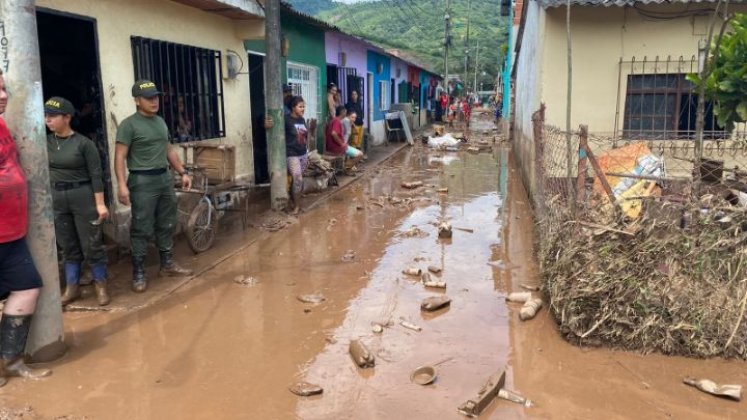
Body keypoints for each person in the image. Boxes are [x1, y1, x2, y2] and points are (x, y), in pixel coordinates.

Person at [115, 80, 193, 293]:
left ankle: (167, 264)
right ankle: (139, 272)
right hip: (142, 181)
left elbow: (168, 150)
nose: (154, 101)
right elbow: (119, 157)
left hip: (164, 178)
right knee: (141, 227)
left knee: (167, 222)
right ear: (136, 101)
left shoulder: (160, 122)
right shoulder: (128, 125)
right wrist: (122, 185)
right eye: (149, 98)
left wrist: (182, 172)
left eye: (156, 97)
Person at [0, 69, 53, 387]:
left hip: (12, 235)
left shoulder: (3, 124)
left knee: (28, 287)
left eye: (3, 88)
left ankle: (10, 361)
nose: (3, 95)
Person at [44, 96, 110, 306]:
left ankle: (100, 284)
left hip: (82, 196)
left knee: (92, 244)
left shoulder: (84, 144)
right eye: (46, 116)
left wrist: (99, 204)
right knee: (67, 245)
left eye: (53, 116)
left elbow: (96, 175)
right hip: (57, 198)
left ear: (67, 117)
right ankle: (72, 287)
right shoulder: (45, 142)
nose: (48, 120)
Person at [284, 96, 309, 214]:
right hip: (291, 153)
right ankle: (296, 207)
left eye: (303, 106)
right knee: (297, 177)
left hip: (303, 153)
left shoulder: (302, 120)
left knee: (298, 181)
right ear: (293, 108)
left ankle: (294, 202)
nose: (303, 109)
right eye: (300, 106)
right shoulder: (286, 120)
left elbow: (305, 137)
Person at [326, 105, 363, 171]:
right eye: (345, 112)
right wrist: (342, 144)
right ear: (342, 112)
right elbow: (334, 133)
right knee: (360, 154)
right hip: (337, 148)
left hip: (334, 146)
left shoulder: (335, 120)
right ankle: (347, 167)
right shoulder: (337, 121)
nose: (346, 114)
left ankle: (346, 167)